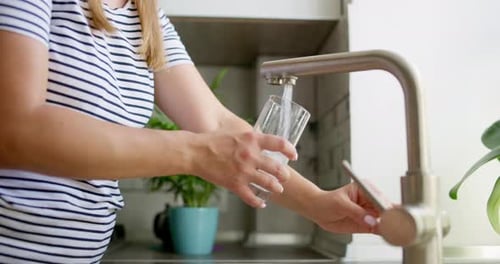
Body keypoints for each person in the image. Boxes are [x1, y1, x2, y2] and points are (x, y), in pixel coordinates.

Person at [0, 0, 382, 263]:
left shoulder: (145, 16)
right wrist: (194, 153)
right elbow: (15, 126)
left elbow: (215, 122)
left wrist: (318, 204)